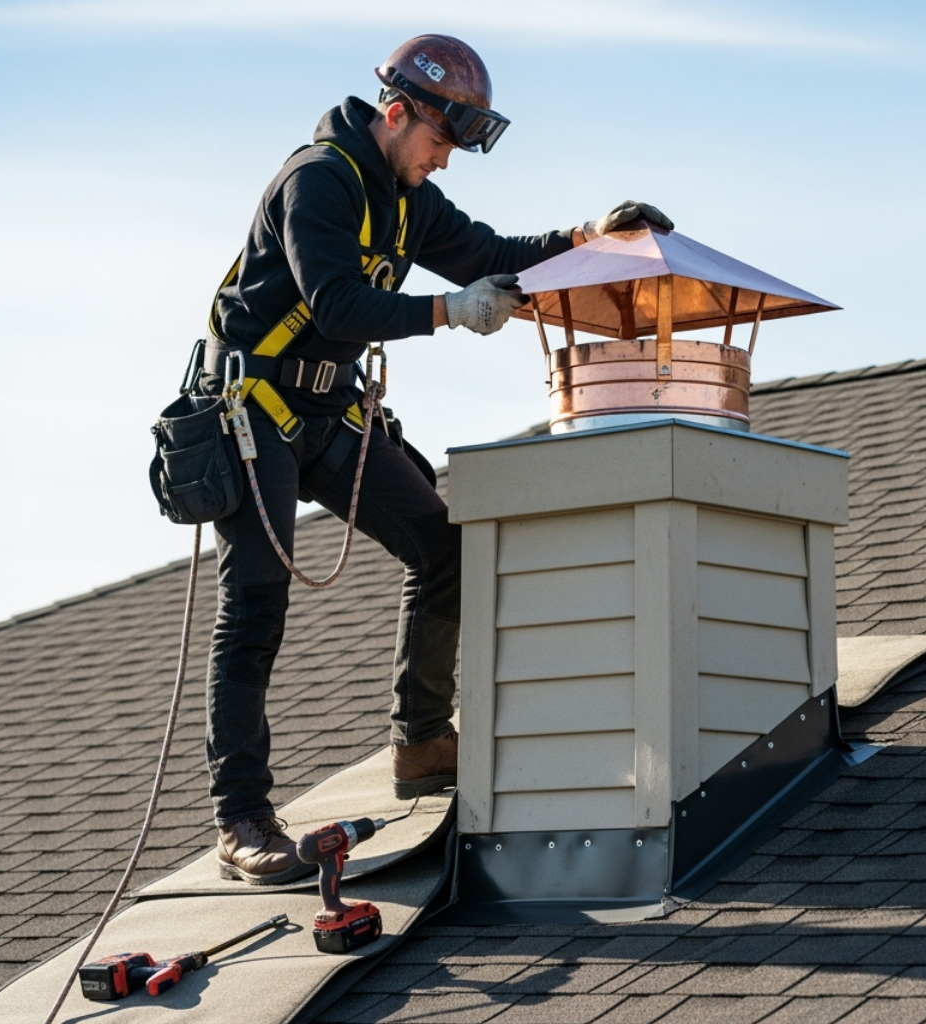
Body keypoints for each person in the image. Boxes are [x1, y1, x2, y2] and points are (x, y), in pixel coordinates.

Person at [199, 33, 672, 884]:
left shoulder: (406, 196)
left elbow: (492, 256)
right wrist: (449, 313)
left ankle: (419, 742)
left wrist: (589, 236)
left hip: (325, 410)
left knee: (443, 547)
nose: (446, 161)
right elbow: (338, 305)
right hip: (251, 411)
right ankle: (243, 822)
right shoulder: (321, 179)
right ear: (396, 113)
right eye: (441, 141)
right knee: (256, 606)